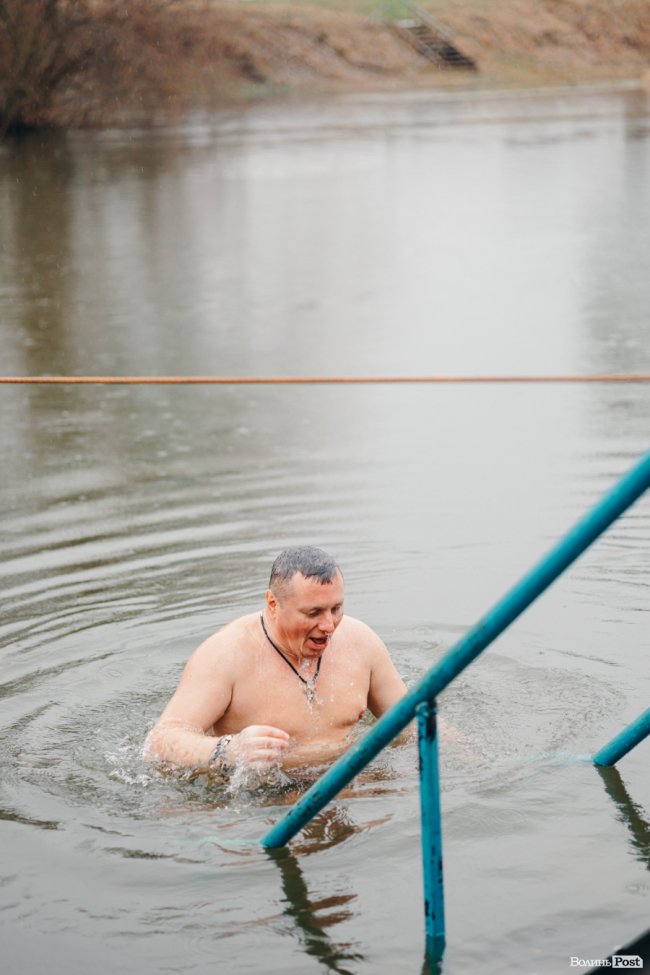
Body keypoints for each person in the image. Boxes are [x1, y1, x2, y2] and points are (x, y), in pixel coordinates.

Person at [145, 546, 407, 774]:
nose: (329, 625)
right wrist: (228, 750)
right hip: (267, 805)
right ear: (272, 604)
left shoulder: (361, 642)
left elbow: (414, 722)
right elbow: (160, 742)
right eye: (313, 612)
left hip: (354, 784)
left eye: (336, 609)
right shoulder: (226, 654)